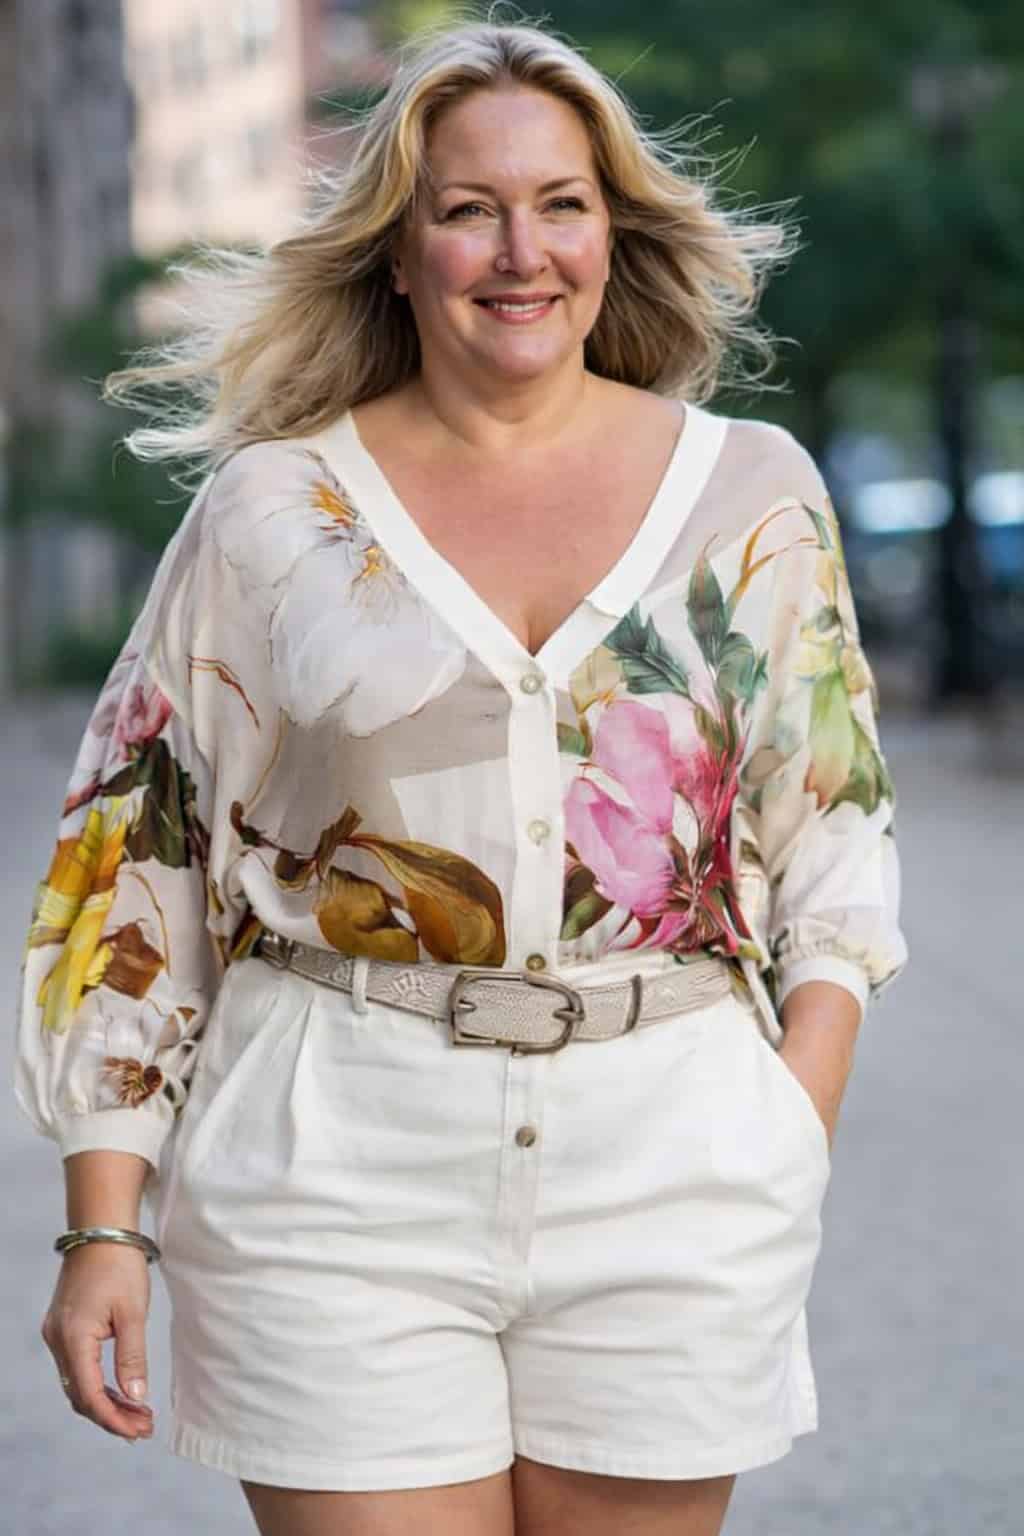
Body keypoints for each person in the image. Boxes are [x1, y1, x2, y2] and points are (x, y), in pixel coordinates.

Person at [15, 16, 908, 1536]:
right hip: (334, 1168)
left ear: (612, 232)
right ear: (396, 248)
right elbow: (134, 862)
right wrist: (104, 1226)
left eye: (562, 204)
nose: (521, 251)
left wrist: (783, 1131)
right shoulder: (272, 509)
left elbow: (833, 832)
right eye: (468, 209)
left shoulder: (755, 492)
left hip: (674, 1160)